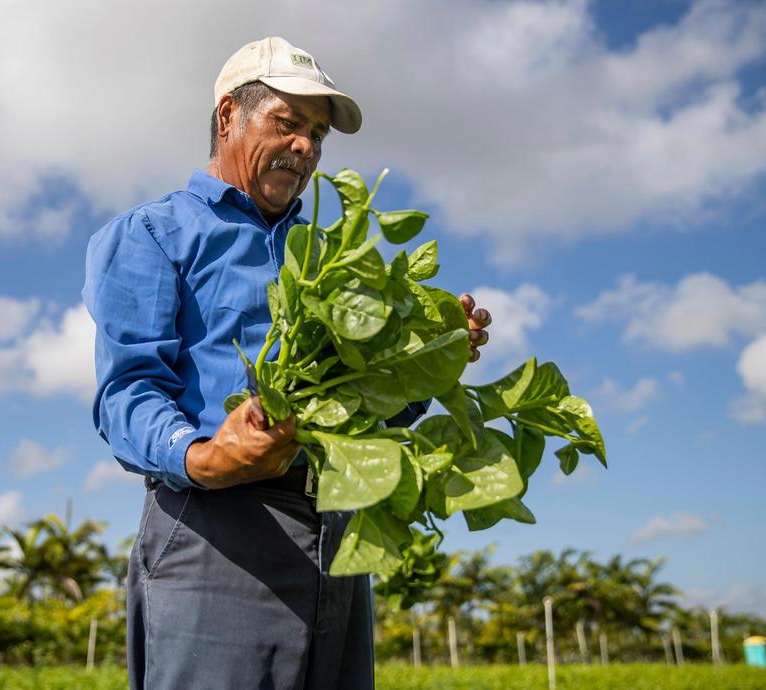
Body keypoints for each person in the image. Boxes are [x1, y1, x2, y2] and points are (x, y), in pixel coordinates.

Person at [82, 36, 491, 690]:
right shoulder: (155, 233)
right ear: (227, 119)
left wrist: (426, 363)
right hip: (215, 530)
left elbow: (363, 408)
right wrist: (206, 456)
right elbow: (130, 389)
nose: (307, 147)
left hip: (336, 530)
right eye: (288, 123)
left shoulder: (332, 252)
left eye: (319, 134)